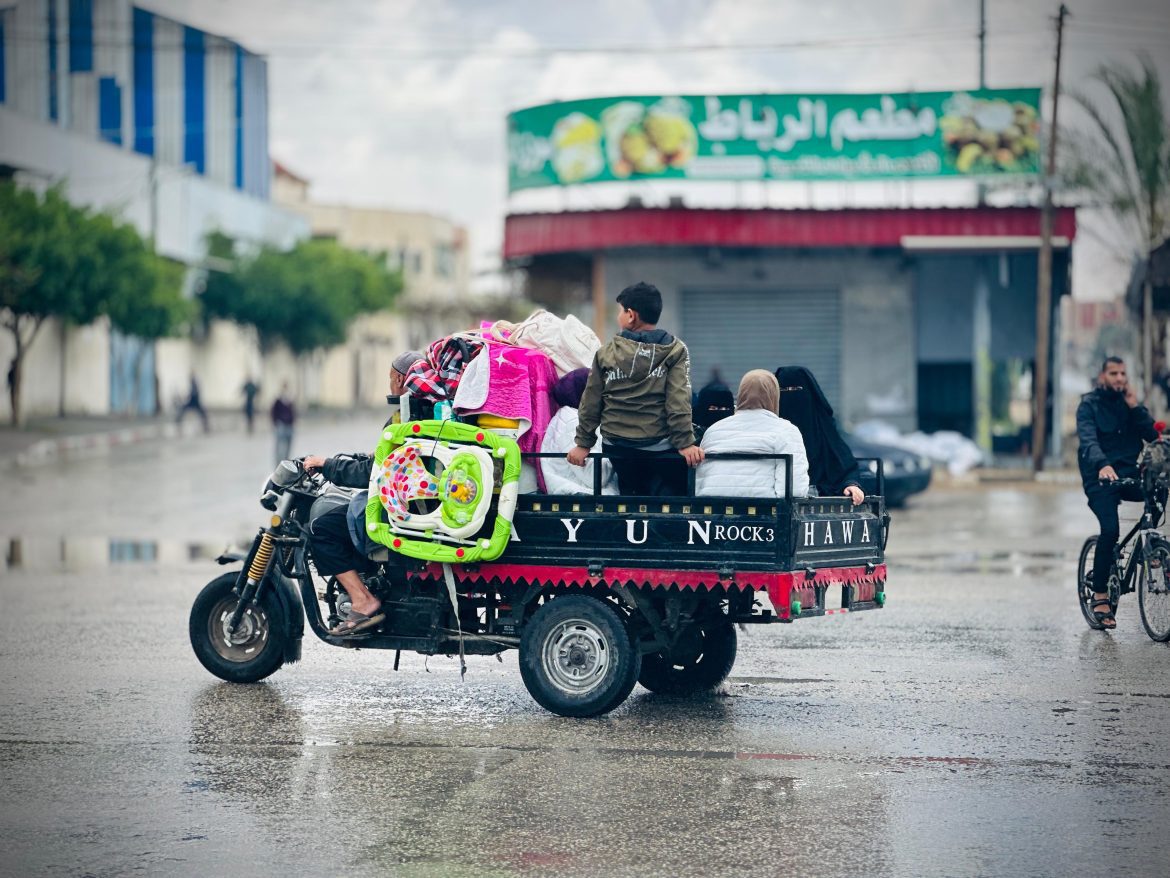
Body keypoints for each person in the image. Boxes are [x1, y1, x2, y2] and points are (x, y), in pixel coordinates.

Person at [568, 281, 703, 496]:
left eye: (619, 311)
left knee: (630, 496)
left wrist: (583, 444)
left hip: (617, 446)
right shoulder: (675, 350)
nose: (617, 316)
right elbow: (678, 401)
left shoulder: (605, 353)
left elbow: (591, 401)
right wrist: (686, 443)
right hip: (660, 447)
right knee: (671, 494)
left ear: (631, 315)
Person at [1077, 356, 1159, 630]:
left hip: (1128, 474)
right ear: (1102, 376)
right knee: (1110, 530)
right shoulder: (1089, 405)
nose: (1120, 378)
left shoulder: (1129, 405)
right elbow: (1088, 440)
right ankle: (1100, 595)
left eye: (1123, 373)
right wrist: (1103, 465)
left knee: (1159, 489)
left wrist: (1135, 406)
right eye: (1113, 373)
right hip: (1099, 477)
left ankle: (1152, 547)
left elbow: (1152, 435)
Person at [696, 370, 810, 498]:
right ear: (774, 396)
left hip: (713, 511)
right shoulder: (786, 431)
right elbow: (794, 490)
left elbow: (699, 483)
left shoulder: (713, 430)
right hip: (765, 513)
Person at [774, 366, 864, 506]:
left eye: (796, 390)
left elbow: (844, 465)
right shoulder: (769, 428)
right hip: (775, 499)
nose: (790, 396)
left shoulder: (823, 428)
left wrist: (850, 485)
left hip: (819, 501)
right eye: (783, 390)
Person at [541, 368, 619, 495]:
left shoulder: (573, 417)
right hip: (582, 499)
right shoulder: (572, 421)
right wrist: (619, 454)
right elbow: (595, 477)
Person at [271, 383, 296, 464]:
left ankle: (286, 462)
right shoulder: (278, 400)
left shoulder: (290, 399)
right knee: (280, 447)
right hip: (281, 425)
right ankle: (278, 463)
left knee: (288, 446)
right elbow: (273, 412)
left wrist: (293, 421)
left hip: (289, 425)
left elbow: (293, 412)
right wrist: (275, 422)